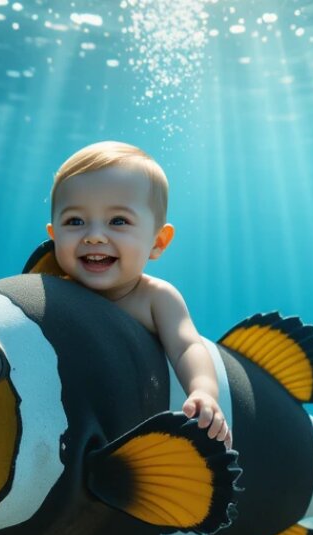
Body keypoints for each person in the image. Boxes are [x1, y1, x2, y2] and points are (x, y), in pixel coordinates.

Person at [44, 140, 231, 449]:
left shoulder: (156, 297)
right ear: (53, 236)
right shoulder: (50, 293)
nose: (93, 236)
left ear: (158, 241)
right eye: (75, 221)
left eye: (118, 221)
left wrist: (203, 392)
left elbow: (187, 347)